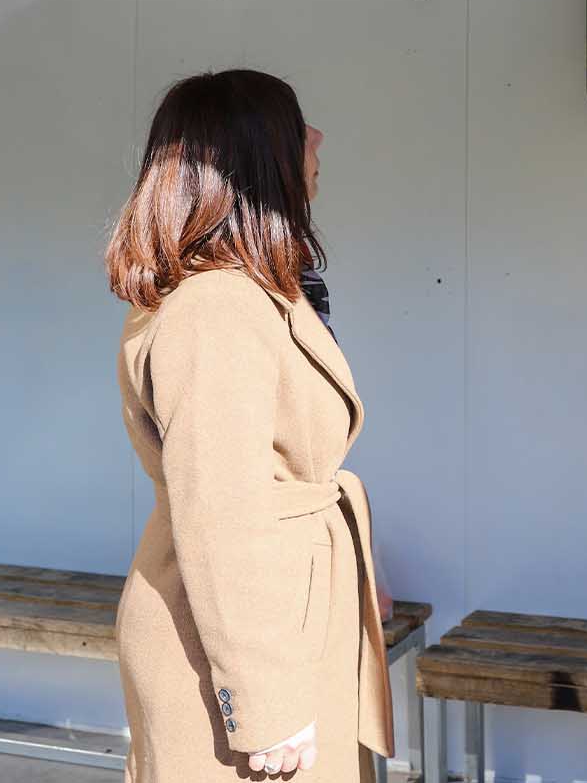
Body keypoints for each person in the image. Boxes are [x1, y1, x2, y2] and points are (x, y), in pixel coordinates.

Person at [105, 70, 393, 781]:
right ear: (255, 156)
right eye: (299, 126)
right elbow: (220, 512)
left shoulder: (243, 291)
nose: (318, 139)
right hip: (234, 651)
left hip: (275, 617)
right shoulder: (218, 310)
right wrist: (262, 707)